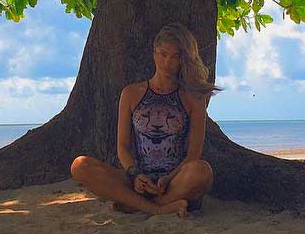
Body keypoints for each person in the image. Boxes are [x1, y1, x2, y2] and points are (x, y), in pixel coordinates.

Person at [70, 22, 221, 218]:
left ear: (184, 60)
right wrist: (135, 175)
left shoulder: (193, 98)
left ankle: (142, 205)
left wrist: (169, 178)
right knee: (80, 165)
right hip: (137, 179)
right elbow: (122, 147)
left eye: (176, 56)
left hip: (175, 181)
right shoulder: (131, 93)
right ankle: (158, 208)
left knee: (202, 171)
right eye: (162, 54)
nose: (167, 62)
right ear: (154, 52)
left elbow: (193, 154)